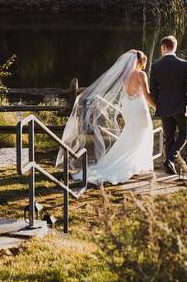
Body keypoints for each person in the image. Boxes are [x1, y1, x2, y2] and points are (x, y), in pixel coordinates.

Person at [59, 50, 156, 185]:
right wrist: (157, 106)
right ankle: (134, 164)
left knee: (130, 133)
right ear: (139, 62)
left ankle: (132, 163)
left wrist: (130, 52)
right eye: (143, 63)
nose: (143, 66)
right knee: (143, 132)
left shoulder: (124, 76)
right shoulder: (140, 74)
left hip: (127, 107)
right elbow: (147, 94)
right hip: (138, 107)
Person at [149, 35, 187, 174]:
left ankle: (169, 163)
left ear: (164, 47)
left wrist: (159, 105)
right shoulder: (184, 64)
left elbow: (153, 91)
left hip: (164, 108)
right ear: (174, 47)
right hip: (180, 107)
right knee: (185, 133)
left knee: (169, 137)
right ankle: (170, 160)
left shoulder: (155, 66)